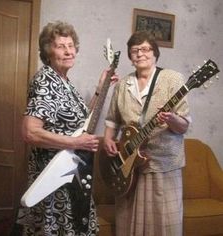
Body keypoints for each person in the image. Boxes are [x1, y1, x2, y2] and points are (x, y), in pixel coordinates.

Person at [16, 21, 117, 235]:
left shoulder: (65, 82)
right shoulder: (46, 81)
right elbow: (29, 131)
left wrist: (100, 89)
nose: (69, 51)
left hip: (71, 173)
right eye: (61, 46)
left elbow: (82, 124)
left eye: (71, 46)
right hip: (54, 174)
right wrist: (75, 142)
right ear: (48, 51)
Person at [103, 31, 191, 236]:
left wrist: (171, 119)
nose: (139, 53)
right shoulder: (123, 85)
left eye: (145, 49)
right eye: (134, 50)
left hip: (163, 165)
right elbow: (112, 119)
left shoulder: (173, 79)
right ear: (129, 56)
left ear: (155, 53)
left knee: (164, 225)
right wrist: (108, 138)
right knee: (128, 223)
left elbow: (184, 125)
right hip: (127, 167)